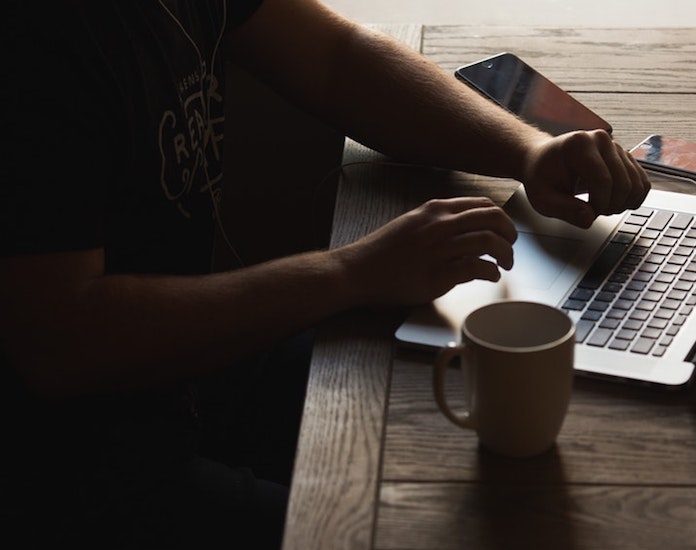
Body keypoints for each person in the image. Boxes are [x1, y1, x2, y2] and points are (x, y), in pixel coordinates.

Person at [0, 0, 650, 548]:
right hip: (69, 463)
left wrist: (527, 150)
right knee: (404, 525)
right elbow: (61, 343)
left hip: (184, 373)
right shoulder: (38, 38)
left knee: (468, 416)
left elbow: (339, 62)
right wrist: (348, 271)